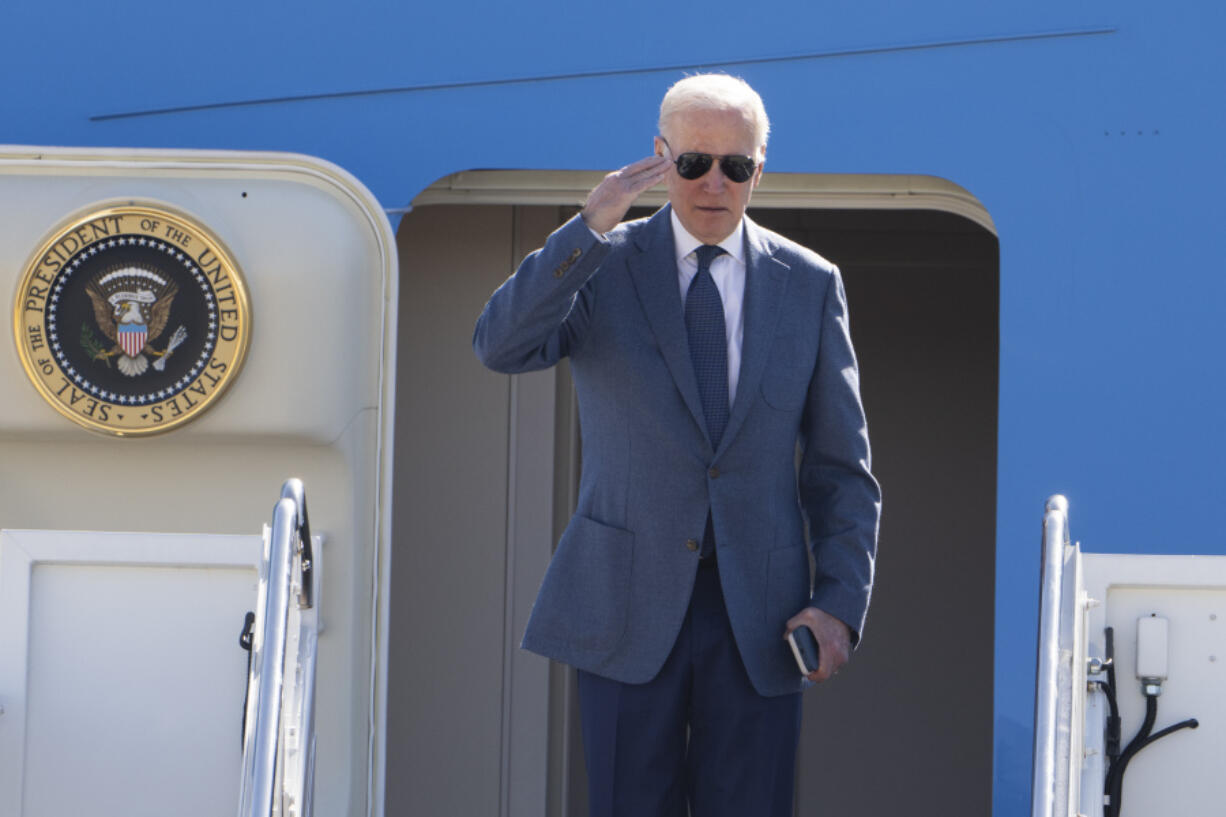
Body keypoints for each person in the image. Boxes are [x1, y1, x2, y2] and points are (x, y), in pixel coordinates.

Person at [473, 73, 880, 817]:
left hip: (761, 618)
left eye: (735, 165)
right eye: (693, 162)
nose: (712, 182)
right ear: (661, 157)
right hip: (625, 602)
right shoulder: (602, 261)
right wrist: (586, 228)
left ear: (762, 168)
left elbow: (841, 468)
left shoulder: (811, 284)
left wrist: (840, 602)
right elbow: (500, 346)